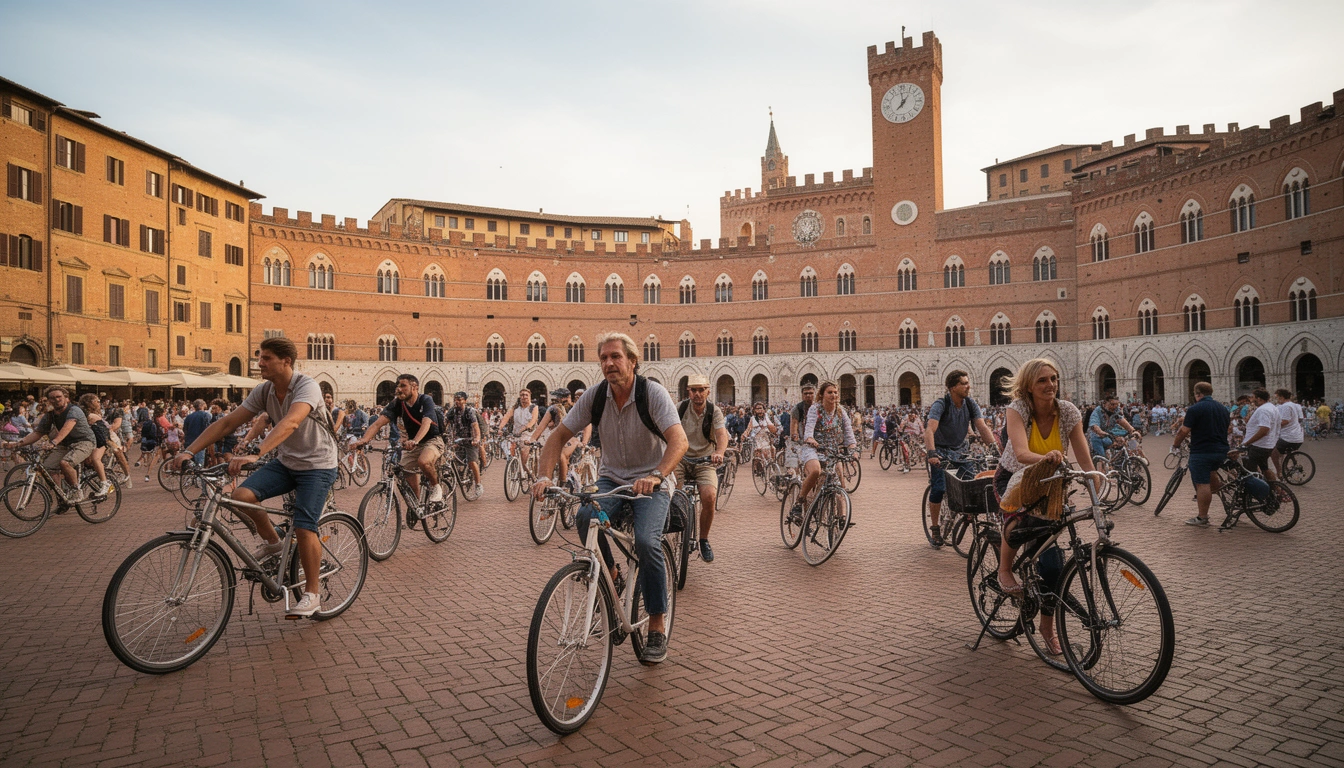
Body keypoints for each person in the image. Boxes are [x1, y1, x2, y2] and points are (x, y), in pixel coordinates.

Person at [532, 332, 688, 664]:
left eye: (616, 357)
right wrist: (545, 476)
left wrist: (657, 474)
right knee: (585, 517)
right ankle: (613, 577)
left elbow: (679, 442)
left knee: (647, 542)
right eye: (603, 358)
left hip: (653, 482)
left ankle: (657, 624)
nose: (608, 363)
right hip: (612, 479)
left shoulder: (653, 394)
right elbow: (557, 437)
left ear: (633, 361)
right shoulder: (595, 396)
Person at [172, 337, 339, 619]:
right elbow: (227, 422)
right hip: (287, 461)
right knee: (241, 497)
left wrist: (256, 453)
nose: (259, 363)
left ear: (286, 361)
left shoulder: (306, 386)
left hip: (318, 465)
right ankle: (274, 544)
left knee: (303, 525)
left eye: (266, 358)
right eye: (260, 357)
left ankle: (312, 594)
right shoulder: (265, 390)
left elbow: (292, 421)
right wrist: (189, 451)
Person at [993, 359, 1095, 656]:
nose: (1050, 385)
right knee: (1019, 525)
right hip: (1014, 477)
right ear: (1028, 386)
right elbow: (1022, 453)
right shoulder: (1018, 409)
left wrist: (1096, 489)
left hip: (1050, 481)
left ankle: (1047, 628)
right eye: (1042, 381)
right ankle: (1004, 569)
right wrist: (1047, 457)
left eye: (1054, 378)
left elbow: (1084, 458)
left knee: (1052, 565)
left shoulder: (1068, 412)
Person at [924, 370, 1000, 547]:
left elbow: (981, 426)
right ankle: (935, 528)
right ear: (952, 387)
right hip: (941, 452)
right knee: (939, 488)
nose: (968, 386)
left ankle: (963, 513)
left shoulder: (970, 403)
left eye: (968, 382)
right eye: (964, 383)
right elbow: (929, 429)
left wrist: (995, 450)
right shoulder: (941, 404)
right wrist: (931, 453)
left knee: (971, 488)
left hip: (961, 451)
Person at [353, 374, 446, 503]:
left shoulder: (425, 400)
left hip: (432, 440)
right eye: (398, 385)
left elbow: (426, 422)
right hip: (414, 444)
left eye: (403, 385)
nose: (398, 389)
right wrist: (364, 440)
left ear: (414, 387)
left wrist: (415, 440)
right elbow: (377, 424)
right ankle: (416, 503)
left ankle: (436, 487)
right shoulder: (398, 404)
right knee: (403, 469)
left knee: (424, 461)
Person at [676, 374, 729, 563]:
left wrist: (720, 452)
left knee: (709, 497)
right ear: (688, 392)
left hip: (705, 460)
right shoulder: (680, 408)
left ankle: (704, 539)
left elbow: (722, 434)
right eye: (694, 390)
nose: (698, 394)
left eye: (701, 390)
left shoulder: (714, 411)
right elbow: (669, 431)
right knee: (674, 495)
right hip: (681, 459)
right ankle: (673, 534)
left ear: (708, 391)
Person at [789, 380, 857, 523]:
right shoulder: (816, 409)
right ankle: (799, 503)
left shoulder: (840, 411)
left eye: (835, 392)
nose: (833, 395)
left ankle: (842, 518)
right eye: (830, 392)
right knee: (815, 471)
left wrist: (852, 448)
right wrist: (810, 438)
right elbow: (809, 428)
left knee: (839, 483)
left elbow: (849, 433)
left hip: (831, 451)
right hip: (813, 448)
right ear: (822, 394)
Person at [14, 386, 98, 502]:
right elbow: (38, 433)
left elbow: (67, 427)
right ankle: (61, 497)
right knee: (48, 468)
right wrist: (18, 444)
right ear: (49, 400)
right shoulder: (50, 415)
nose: (56, 400)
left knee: (65, 463)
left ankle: (76, 490)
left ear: (66, 398)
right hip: (65, 444)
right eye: (52, 398)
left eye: (59, 397)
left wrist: (53, 442)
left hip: (84, 442)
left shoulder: (74, 410)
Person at [1169, 381, 1231, 526]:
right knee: (1212, 473)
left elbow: (1183, 431)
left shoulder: (1195, 409)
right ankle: (1229, 496)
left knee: (1202, 484)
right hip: (1221, 449)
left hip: (1202, 451)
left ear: (1197, 394)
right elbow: (1227, 428)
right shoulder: (1222, 408)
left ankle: (1202, 517)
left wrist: (1176, 445)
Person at [444, 390, 483, 494]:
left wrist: (477, 439)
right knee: (449, 457)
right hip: (457, 439)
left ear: (465, 401)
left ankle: (478, 484)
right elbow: (445, 423)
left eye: (460, 400)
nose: (457, 402)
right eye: (455, 399)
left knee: (472, 462)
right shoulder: (452, 411)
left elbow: (475, 426)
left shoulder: (469, 411)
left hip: (470, 440)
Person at [77, 393, 113, 497]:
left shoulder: (91, 416)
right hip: (90, 441)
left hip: (100, 441)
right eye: (96, 401)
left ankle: (104, 483)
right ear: (89, 403)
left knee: (95, 459)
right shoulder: (88, 414)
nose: (99, 403)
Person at [1242, 388, 1280, 481]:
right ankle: (1277, 490)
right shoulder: (1272, 407)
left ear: (1259, 398)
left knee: (1249, 472)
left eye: (1253, 397)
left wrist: (1247, 442)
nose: (1252, 400)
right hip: (1267, 445)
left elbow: (1264, 429)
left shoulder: (1263, 410)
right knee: (1265, 468)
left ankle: (1256, 492)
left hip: (1258, 446)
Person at [1087, 394, 1140, 459]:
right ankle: (1101, 467)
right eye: (1112, 404)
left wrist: (1132, 430)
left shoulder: (1116, 410)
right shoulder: (1097, 411)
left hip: (1108, 434)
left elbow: (1121, 420)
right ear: (1105, 403)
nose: (1114, 407)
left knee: (1122, 442)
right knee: (1101, 457)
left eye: (1116, 405)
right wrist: (1101, 432)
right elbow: (1094, 425)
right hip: (1096, 436)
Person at [1270, 389, 1304, 479]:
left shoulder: (1285, 406)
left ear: (1281, 397)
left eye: (1277, 397)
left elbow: (1285, 421)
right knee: (1282, 452)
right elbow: (1300, 418)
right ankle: (1286, 467)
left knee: (1273, 452)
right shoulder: (1295, 405)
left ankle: (1279, 472)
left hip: (1288, 437)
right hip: (1297, 436)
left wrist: (1272, 425)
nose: (1276, 400)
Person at [509, 388, 540, 471]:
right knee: (511, 450)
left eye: (526, 395)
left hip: (529, 433)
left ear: (530, 396)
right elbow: (506, 417)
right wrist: (500, 428)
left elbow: (533, 421)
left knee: (524, 451)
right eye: (522, 395)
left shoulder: (533, 407)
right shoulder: (516, 408)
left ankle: (527, 470)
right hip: (516, 433)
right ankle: (515, 469)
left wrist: (526, 427)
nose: (524, 397)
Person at [182, 399, 213, 466]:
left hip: (189, 442)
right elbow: (207, 429)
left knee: (191, 464)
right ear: (201, 405)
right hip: (200, 442)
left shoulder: (189, 417)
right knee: (199, 464)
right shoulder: (206, 415)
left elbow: (185, 429)